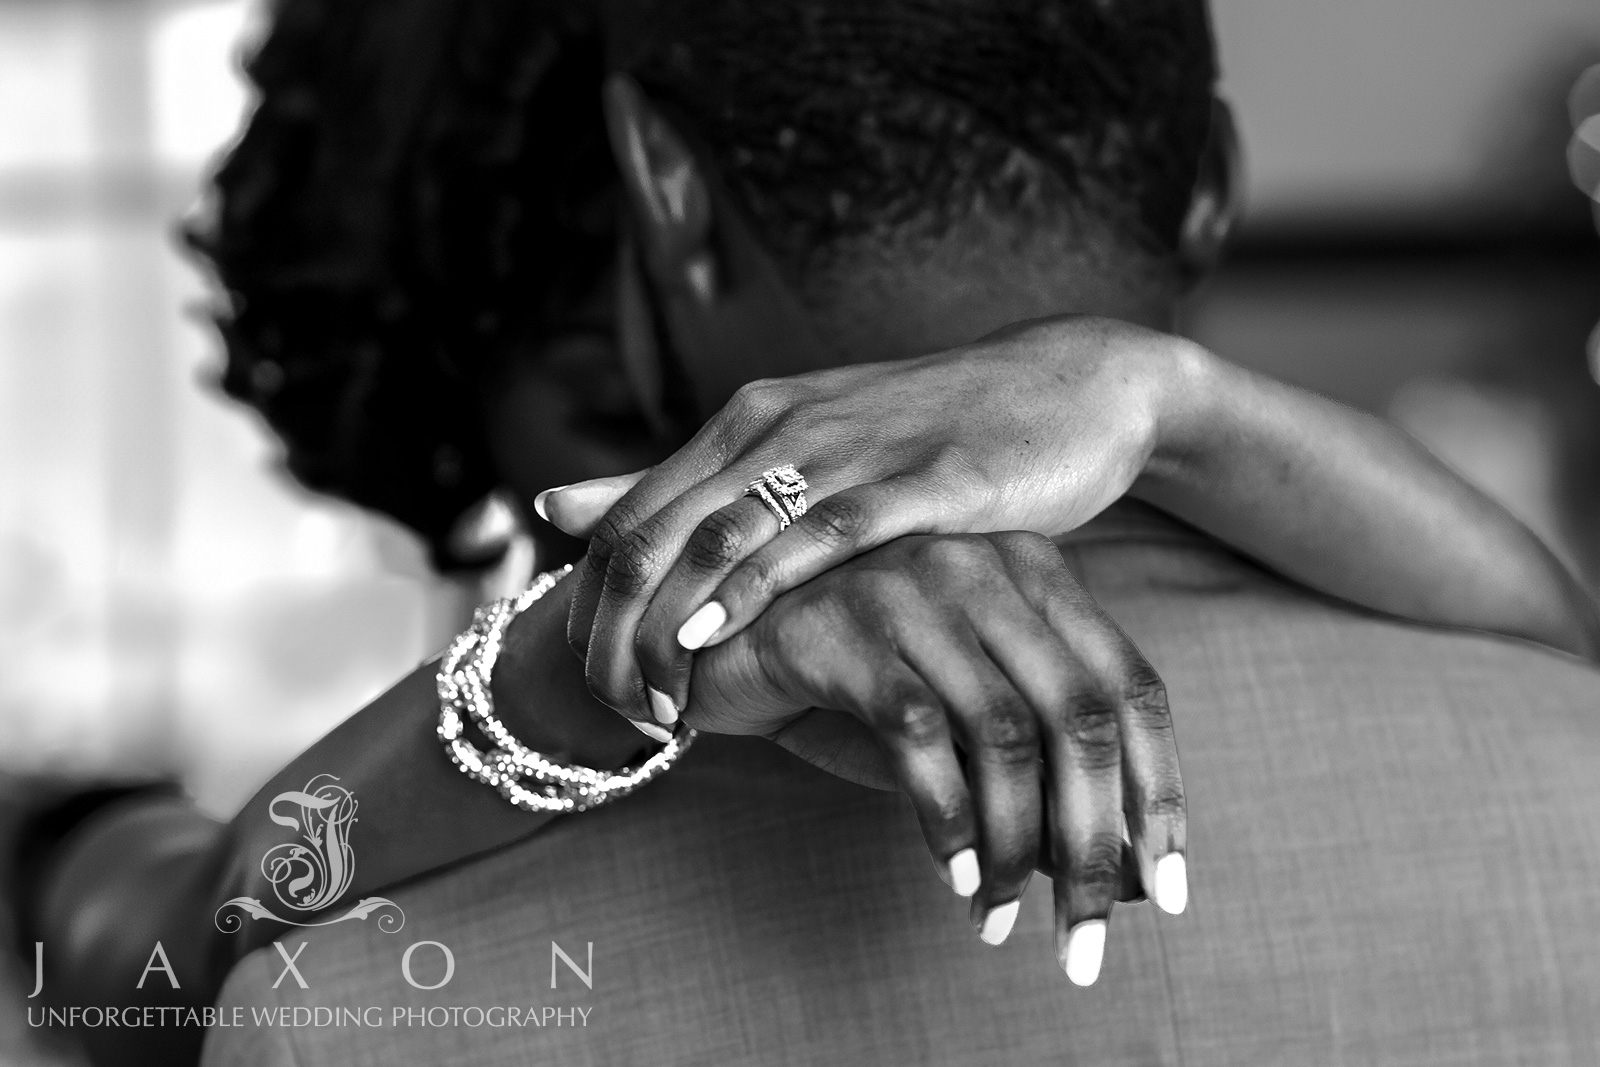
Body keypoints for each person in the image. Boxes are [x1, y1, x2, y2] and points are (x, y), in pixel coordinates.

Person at [17, 0, 1600, 1064]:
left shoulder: (380, 994)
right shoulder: (1564, 766)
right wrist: (1164, 403)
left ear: (666, 199)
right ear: (1211, 188)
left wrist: (575, 678)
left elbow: (185, 959)